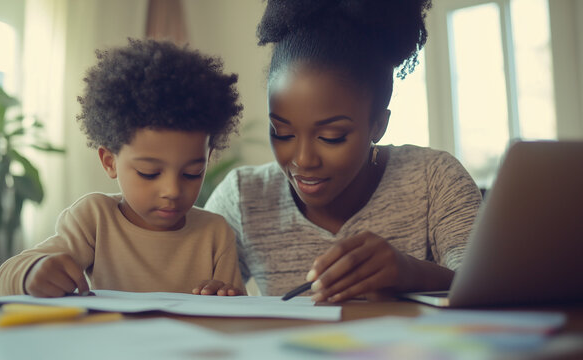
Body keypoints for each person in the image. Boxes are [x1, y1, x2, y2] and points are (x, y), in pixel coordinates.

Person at [204, 0, 482, 302]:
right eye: (282, 133)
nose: (302, 160)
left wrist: (410, 274)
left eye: (331, 137)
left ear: (377, 124)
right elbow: (188, 292)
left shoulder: (435, 180)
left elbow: (492, 286)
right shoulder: (243, 197)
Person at [0, 39, 245, 297]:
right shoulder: (95, 219)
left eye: (192, 173)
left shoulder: (215, 232)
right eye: (149, 173)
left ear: (207, 158)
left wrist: (225, 295)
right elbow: (2, 281)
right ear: (109, 161)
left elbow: (239, 313)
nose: (172, 190)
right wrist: (32, 273)